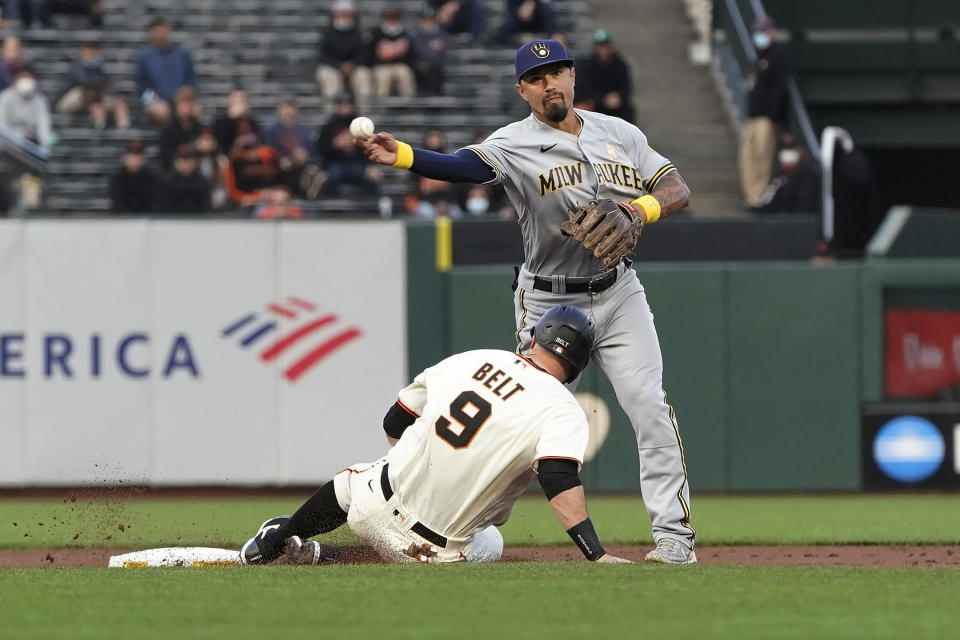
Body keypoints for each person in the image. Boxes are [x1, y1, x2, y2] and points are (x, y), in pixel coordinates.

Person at [360, 39, 696, 564]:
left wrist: (637, 212)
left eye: (557, 71)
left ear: (573, 77)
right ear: (523, 90)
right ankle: (456, 525)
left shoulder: (621, 133)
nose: (549, 83)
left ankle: (675, 541)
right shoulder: (514, 142)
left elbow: (676, 189)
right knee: (517, 423)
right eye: (537, 78)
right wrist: (402, 155)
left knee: (651, 408)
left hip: (619, 291)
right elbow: (461, 167)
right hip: (548, 304)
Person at [240, 305, 630, 565]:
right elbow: (558, 477)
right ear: (578, 366)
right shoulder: (562, 408)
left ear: (534, 339)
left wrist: (423, 463)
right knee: (491, 541)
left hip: (369, 506)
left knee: (362, 476)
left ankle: (282, 537)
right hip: (431, 554)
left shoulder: (475, 358)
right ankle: (330, 555)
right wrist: (594, 553)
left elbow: (395, 422)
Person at [738, 15, 790, 208]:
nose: (760, 35)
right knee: (747, 156)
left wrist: (775, 116)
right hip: (752, 116)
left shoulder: (778, 56)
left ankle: (759, 197)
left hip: (766, 118)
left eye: (763, 31)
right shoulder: (759, 57)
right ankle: (750, 195)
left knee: (763, 156)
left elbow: (779, 89)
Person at [315, 93, 382, 197]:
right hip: (335, 163)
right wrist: (335, 145)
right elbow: (320, 150)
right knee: (332, 175)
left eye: (347, 104)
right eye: (342, 104)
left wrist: (371, 166)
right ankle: (333, 209)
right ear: (336, 106)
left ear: (353, 106)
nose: (344, 107)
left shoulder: (362, 126)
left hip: (357, 164)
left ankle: (371, 209)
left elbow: (371, 148)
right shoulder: (328, 126)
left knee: (372, 176)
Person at [54, 39, 130, 130]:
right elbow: (83, 81)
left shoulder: (100, 66)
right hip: (69, 98)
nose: (91, 51)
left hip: (95, 99)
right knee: (90, 94)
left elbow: (108, 84)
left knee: (119, 101)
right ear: (82, 50)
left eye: (93, 48)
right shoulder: (76, 64)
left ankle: (123, 128)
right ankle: (99, 130)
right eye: (88, 48)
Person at [134, 16, 196, 124]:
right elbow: (141, 88)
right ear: (151, 33)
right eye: (157, 30)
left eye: (163, 29)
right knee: (161, 110)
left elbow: (190, 80)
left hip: (180, 99)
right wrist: (152, 101)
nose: (161, 33)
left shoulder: (182, 54)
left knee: (191, 110)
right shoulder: (144, 57)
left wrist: (185, 96)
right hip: (155, 100)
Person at [576, 29, 635, 124]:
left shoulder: (621, 65)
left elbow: (626, 86)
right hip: (596, 105)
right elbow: (585, 88)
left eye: (606, 46)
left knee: (629, 112)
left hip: (617, 105)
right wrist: (602, 99)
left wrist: (618, 96)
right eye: (600, 46)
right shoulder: (587, 66)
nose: (603, 50)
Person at [315, 0, 372, 97]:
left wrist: (352, 65)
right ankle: (331, 111)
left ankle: (365, 112)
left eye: (347, 14)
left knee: (363, 75)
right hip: (332, 67)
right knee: (329, 77)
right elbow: (324, 55)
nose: (344, 17)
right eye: (341, 13)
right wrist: (339, 66)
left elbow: (363, 54)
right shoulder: (327, 33)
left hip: (354, 67)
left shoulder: (359, 33)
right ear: (334, 15)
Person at [262, 98, 315, 197]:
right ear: (280, 111)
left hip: (298, 165)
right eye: (286, 109)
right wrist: (279, 159)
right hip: (277, 166)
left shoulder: (304, 131)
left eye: (291, 109)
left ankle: (308, 188)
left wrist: (303, 156)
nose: (289, 112)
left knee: (308, 167)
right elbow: (267, 149)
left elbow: (310, 150)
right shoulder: (271, 131)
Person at [756, 133, 820, 214]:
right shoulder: (779, 176)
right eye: (785, 148)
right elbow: (768, 202)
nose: (788, 153)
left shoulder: (808, 176)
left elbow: (805, 205)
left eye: (791, 148)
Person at [368, 7, 417, 97]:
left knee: (405, 73)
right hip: (380, 66)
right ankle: (381, 107)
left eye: (394, 17)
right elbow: (369, 55)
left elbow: (411, 56)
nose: (391, 20)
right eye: (389, 17)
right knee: (384, 76)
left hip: (400, 65)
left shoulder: (406, 34)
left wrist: (397, 64)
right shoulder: (376, 33)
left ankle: (408, 105)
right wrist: (383, 64)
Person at [223, 132, 280, 208]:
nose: (249, 151)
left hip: (270, 200)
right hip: (244, 202)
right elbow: (231, 191)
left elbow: (280, 183)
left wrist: (273, 194)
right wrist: (245, 198)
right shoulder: (235, 163)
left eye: (253, 147)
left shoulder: (269, 159)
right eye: (245, 149)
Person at [157, 86, 203, 169]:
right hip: (173, 171)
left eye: (189, 104)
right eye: (183, 104)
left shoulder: (197, 126)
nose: (186, 108)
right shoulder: (168, 129)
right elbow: (166, 157)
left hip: (195, 170)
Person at [156, 144, 210, 213]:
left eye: (189, 159)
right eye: (182, 159)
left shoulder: (202, 182)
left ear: (195, 162)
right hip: (171, 221)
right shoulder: (166, 182)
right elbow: (162, 208)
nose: (186, 163)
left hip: (197, 221)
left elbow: (207, 208)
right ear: (175, 162)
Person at [109, 139, 157, 213]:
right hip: (122, 220)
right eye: (131, 155)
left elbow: (154, 204)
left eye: (137, 155)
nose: (134, 159)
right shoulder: (117, 179)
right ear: (125, 158)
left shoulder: (152, 179)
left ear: (144, 158)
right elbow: (117, 202)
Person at [212, 89, 260, 155]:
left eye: (242, 101)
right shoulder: (220, 121)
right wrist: (231, 117)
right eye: (237, 102)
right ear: (229, 103)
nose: (240, 105)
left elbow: (258, 141)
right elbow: (220, 142)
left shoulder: (252, 123)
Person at [411, 9, 447, 96]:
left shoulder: (441, 34)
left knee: (434, 71)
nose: (427, 22)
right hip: (418, 66)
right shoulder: (414, 35)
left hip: (435, 67)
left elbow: (443, 55)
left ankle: (434, 102)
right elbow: (414, 52)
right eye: (425, 19)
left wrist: (429, 62)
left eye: (429, 20)